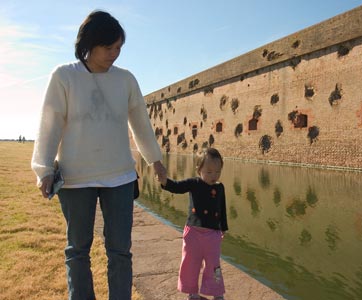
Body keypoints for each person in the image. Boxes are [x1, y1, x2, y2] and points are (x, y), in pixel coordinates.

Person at [31, 10, 166, 300]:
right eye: (109, 47)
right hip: (75, 178)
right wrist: (43, 169)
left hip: (120, 177)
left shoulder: (126, 80)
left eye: (119, 48)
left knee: (120, 251)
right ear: (89, 44)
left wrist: (155, 160)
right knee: (77, 250)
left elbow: (140, 122)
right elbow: (50, 122)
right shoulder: (64, 76)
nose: (115, 54)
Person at [158, 148, 228, 300]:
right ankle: (192, 292)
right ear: (199, 169)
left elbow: (222, 208)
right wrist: (165, 181)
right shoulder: (194, 183)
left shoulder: (220, 187)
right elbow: (177, 187)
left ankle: (217, 291)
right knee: (190, 264)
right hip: (193, 234)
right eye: (209, 172)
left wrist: (224, 227)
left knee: (214, 265)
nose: (214, 176)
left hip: (213, 235)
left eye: (217, 171)